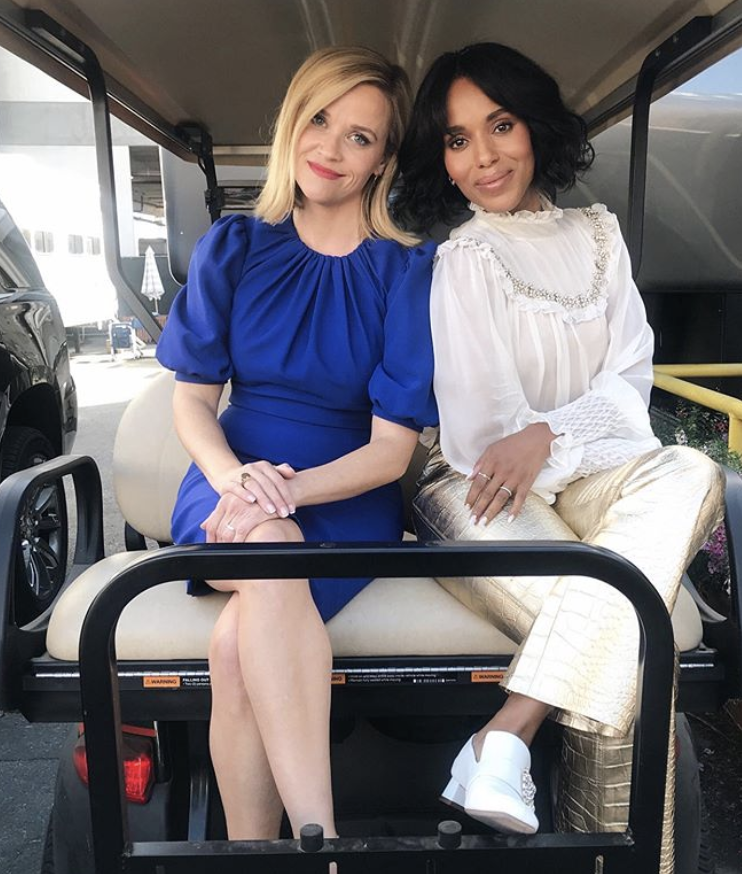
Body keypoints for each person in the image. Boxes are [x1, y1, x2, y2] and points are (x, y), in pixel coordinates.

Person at [394, 42, 723, 868]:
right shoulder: (464, 259)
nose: (482, 157)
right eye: (457, 140)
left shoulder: (600, 235)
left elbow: (632, 380)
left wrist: (548, 433)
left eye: (499, 125)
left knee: (694, 470)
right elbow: (485, 435)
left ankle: (505, 735)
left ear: (535, 126)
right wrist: (556, 434)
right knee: (632, 631)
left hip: (586, 477)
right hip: (475, 491)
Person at [155, 46, 437, 842]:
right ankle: (325, 847)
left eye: (360, 137)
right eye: (319, 120)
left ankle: (262, 853)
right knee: (270, 550)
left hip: (347, 494)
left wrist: (288, 492)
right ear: (291, 123)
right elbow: (193, 403)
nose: (331, 148)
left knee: (235, 645)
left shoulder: (405, 272)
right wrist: (237, 482)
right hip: (228, 480)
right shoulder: (236, 247)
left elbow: (391, 452)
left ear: (383, 159)